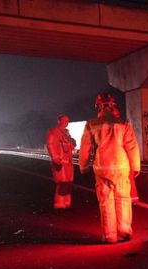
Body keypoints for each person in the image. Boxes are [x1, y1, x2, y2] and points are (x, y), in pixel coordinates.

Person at [79, 93, 141, 243]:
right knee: (123, 199)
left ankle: (109, 235)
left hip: (102, 167)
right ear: (112, 106)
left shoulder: (91, 124)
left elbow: (85, 148)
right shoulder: (123, 124)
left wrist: (83, 166)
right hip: (121, 166)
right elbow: (132, 146)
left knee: (106, 202)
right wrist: (136, 166)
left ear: (98, 106)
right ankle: (125, 230)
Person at [45, 114, 75, 209]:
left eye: (67, 120)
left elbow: (71, 146)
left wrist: (72, 142)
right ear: (59, 121)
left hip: (69, 163)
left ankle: (67, 203)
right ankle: (59, 204)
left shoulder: (67, 133)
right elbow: (50, 145)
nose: (66, 122)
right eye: (64, 120)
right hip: (60, 162)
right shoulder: (54, 132)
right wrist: (55, 158)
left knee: (68, 183)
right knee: (62, 183)